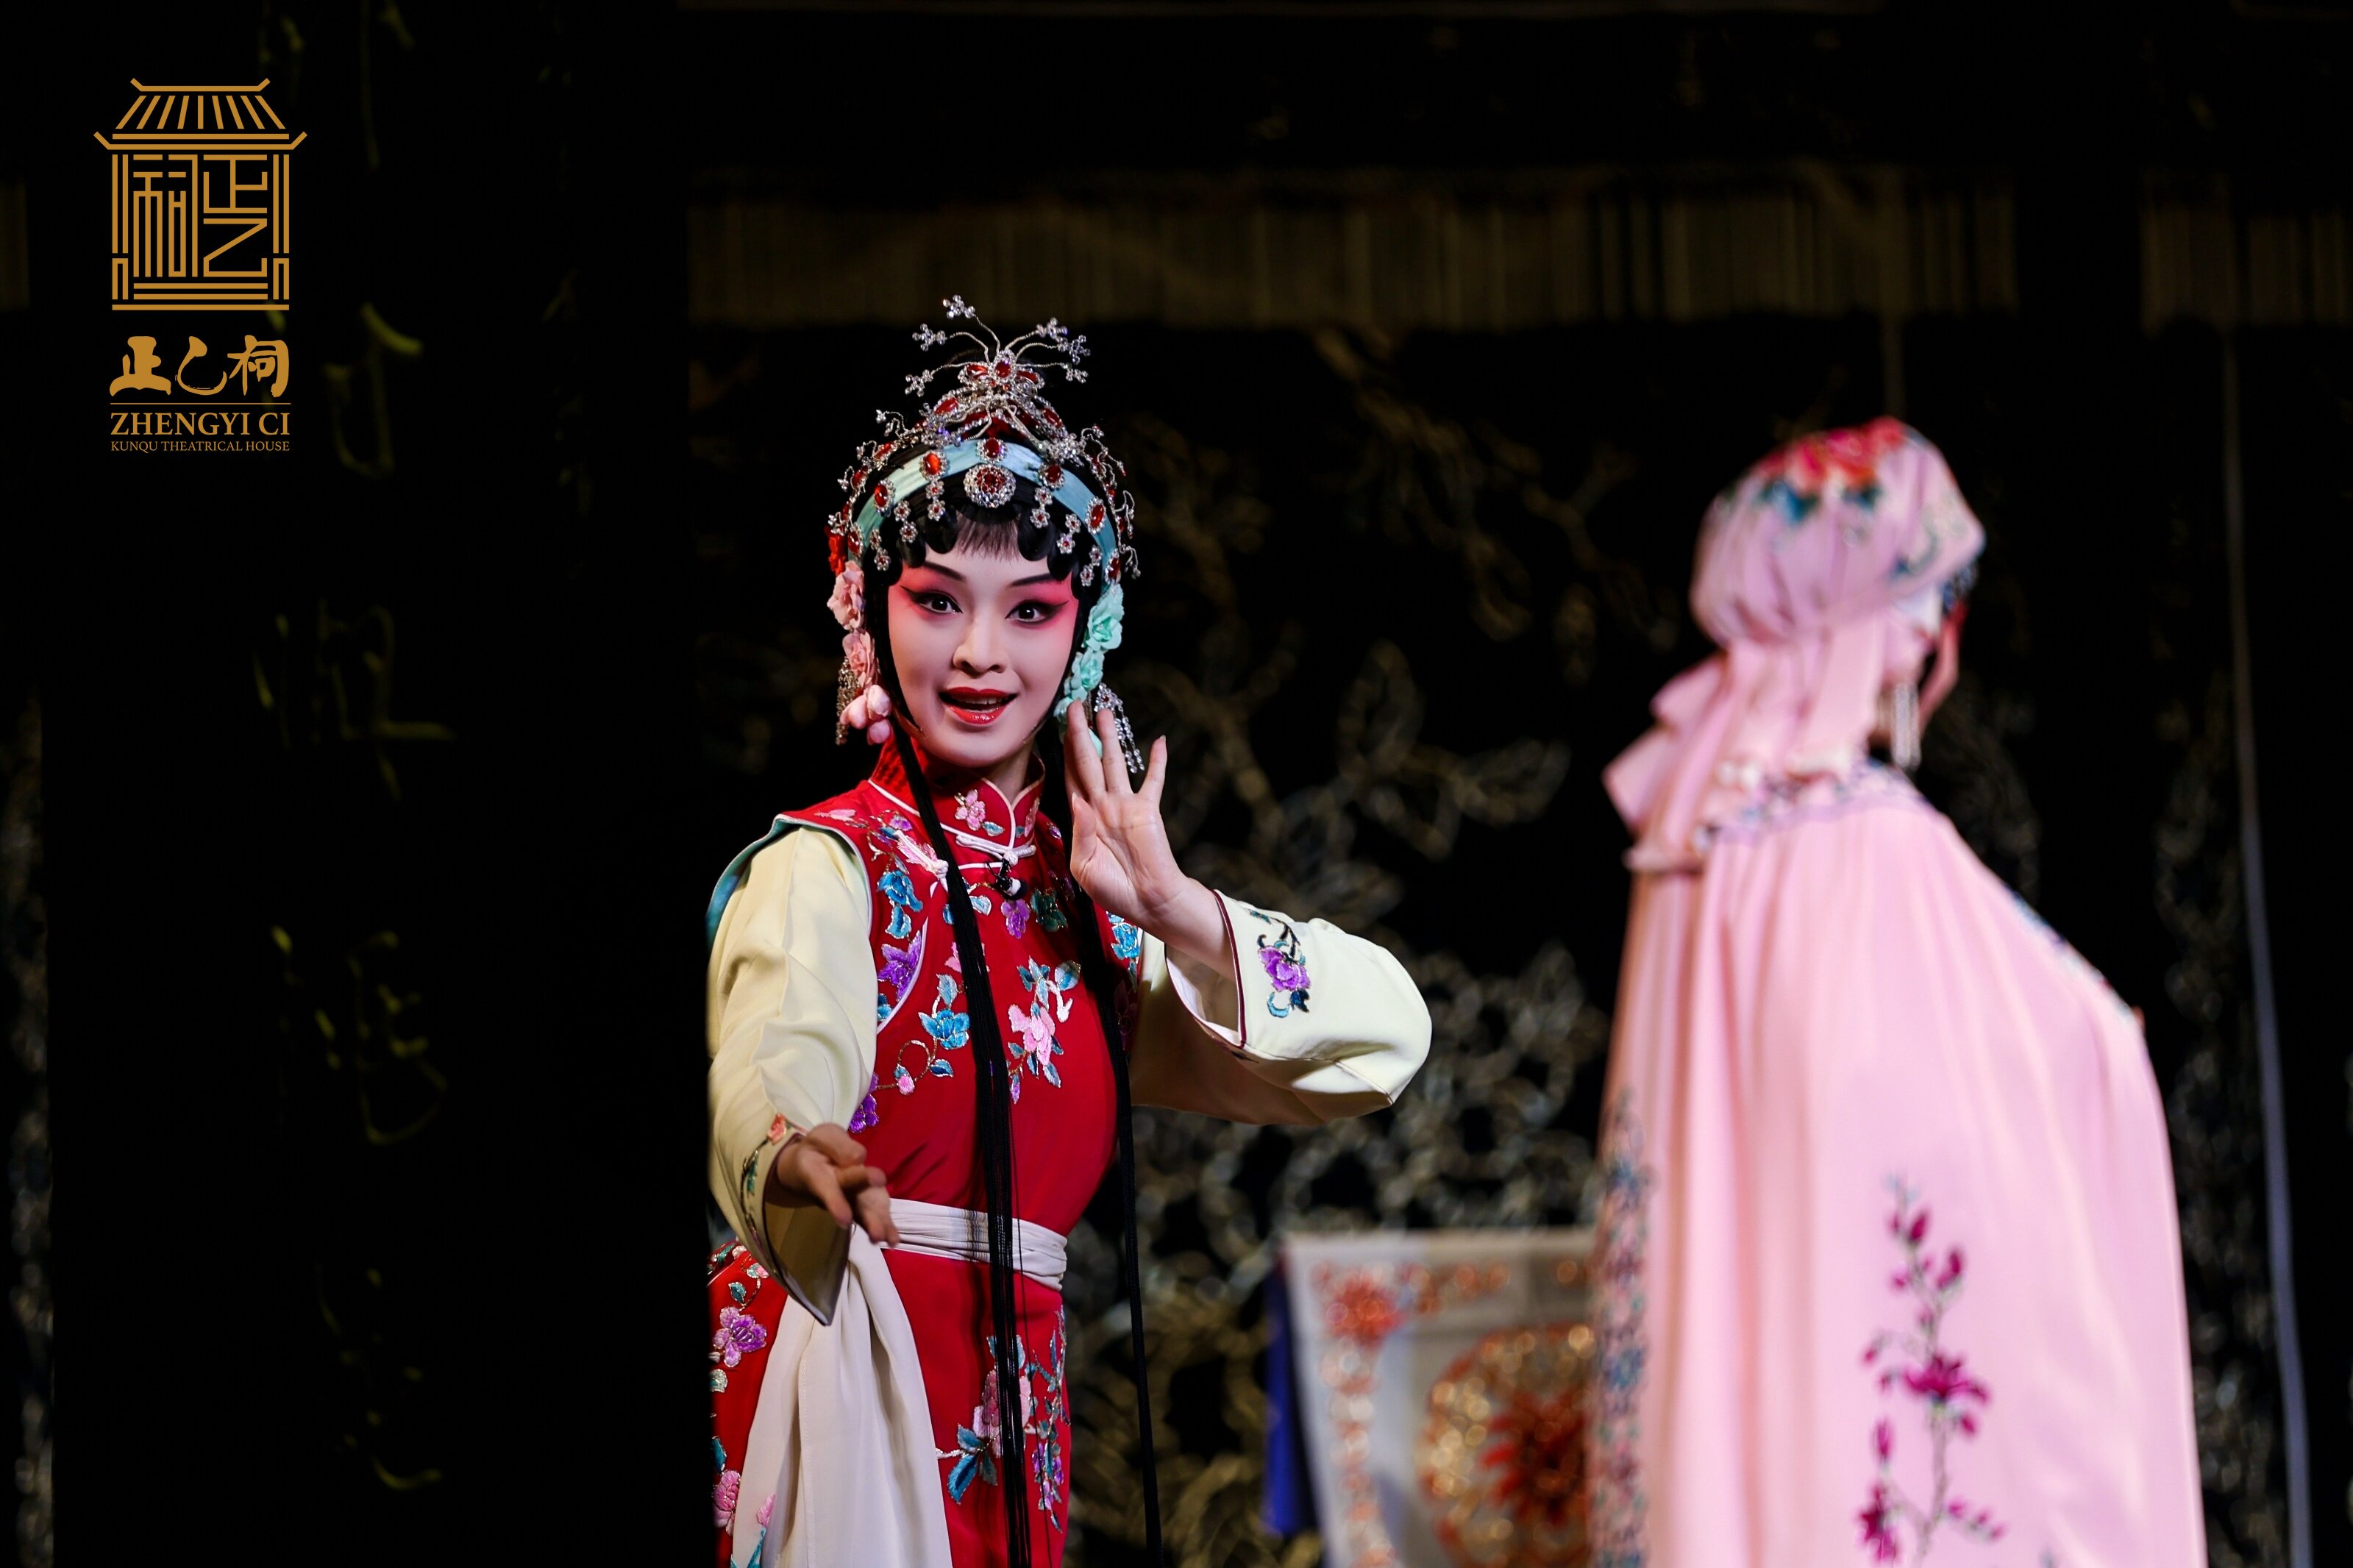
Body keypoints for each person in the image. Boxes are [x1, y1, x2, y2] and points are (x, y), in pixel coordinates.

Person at [703, 301, 1431, 1568]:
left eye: (1030, 611)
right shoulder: (828, 866)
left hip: (1011, 1399)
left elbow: (1384, 1043)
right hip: (834, 1371)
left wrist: (1177, 910)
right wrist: (799, 1145)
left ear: (1085, 632)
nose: (980, 655)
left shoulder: (1091, 915)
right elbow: (776, 1047)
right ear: (867, 611)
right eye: (938, 602)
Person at [1590, 421, 2202, 1567]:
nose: (1935, 631)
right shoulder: (1869, 840)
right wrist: (2101, 1034)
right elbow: (2045, 1054)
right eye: (1932, 596)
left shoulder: (1694, 837)